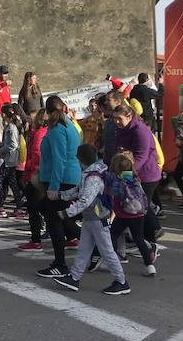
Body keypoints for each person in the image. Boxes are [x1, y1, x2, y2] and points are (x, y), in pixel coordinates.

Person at [52, 145, 130, 296]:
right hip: (93, 217)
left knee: (107, 251)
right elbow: (79, 191)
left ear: (80, 159)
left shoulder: (92, 176)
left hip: (97, 218)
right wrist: (61, 195)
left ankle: (122, 282)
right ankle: (74, 278)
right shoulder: (93, 172)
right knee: (85, 249)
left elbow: (85, 199)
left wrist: (67, 212)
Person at [36, 96, 82, 279]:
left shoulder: (56, 129)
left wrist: (54, 187)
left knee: (53, 218)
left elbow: (59, 159)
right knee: (62, 218)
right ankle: (96, 248)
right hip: (67, 176)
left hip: (61, 179)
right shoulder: (69, 124)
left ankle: (60, 264)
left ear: (47, 111)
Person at [112, 103, 162, 242]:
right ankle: (147, 235)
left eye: (119, 118)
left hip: (146, 174)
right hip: (132, 172)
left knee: (140, 208)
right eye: (114, 118)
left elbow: (141, 156)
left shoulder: (140, 130)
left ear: (129, 116)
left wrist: (127, 174)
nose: (116, 121)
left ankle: (150, 241)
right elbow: (118, 148)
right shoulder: (121, 129)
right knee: (140, 207)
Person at [106, 151, 159, 277]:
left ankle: (113, 261)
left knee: (112, 235)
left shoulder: (117, 181)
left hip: (123, 215)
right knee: (139, 239)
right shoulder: (135, 178)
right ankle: (150, 265)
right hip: (138, 214)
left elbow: (111, 194)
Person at [19, 109, 48, 251]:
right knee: (45, 208)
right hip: (39, 174)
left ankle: (35, 240)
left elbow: (37, 155)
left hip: (37, 175)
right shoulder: (43, 133)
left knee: (34, 208)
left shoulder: (40, 134)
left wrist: (28, 168)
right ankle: (72, 237)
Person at [0, 103, 24, 219]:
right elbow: (6, 142)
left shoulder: (11, 127)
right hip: (10, 160)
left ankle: (0, 207)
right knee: (13, 184)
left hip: (10, 160)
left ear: (4, 114)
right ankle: (18, 208)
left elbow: (13, 145)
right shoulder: (9, 126)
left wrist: (1, 150)